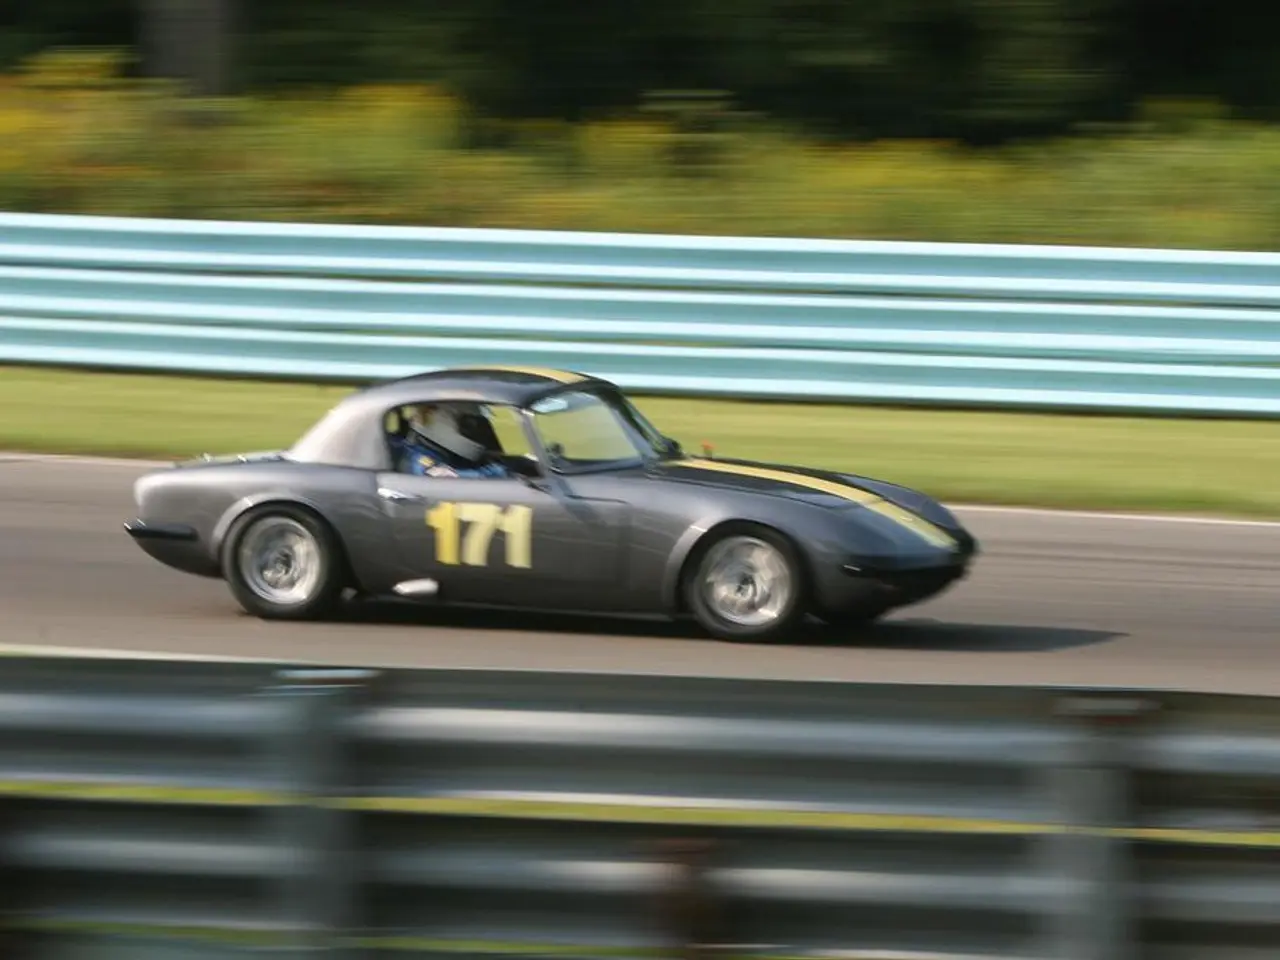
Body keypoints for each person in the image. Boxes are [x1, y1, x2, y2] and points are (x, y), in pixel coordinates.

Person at [392, 402, 509, 478]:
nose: (481, 432)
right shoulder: (420, 458)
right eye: (470, 425)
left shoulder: (445, 455)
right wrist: (498, 472)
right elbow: (442, 477)